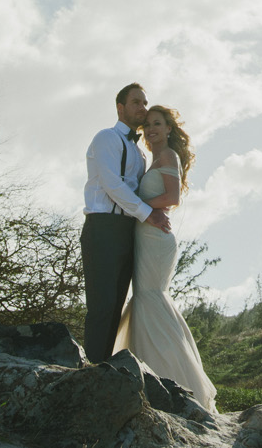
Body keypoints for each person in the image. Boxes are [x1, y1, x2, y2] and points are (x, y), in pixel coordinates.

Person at [113, 104, 218, 412]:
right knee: (146, 298)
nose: (152, 129)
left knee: (150, 297)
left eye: (157, 123)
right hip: (145, 237)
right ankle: (154, 378)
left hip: (156, 239)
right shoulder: (151, 159)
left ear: (169, 128)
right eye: (147, 125)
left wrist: (135, 203)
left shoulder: (168, 155)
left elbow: (172, 198)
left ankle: (177, 382)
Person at [81, 83, 171, 363]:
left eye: (145, 103)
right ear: (120, 108)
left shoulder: (140, 153)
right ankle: (92, 372)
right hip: (103, 228)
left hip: (128, 231)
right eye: (136, 103)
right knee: (102, 306)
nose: (142, 108)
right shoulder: (106, 138)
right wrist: (149, 213)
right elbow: (112, 186)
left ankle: (105, 369)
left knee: (118, 305)